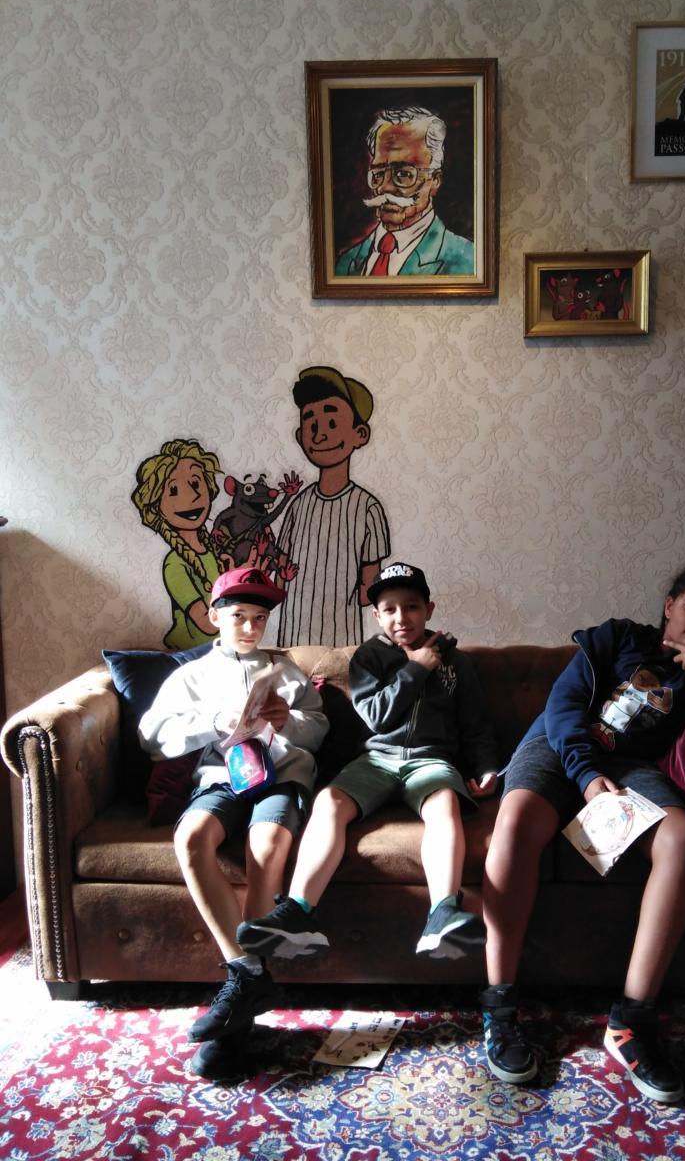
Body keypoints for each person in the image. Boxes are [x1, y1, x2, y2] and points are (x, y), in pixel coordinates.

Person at [479, 563, 685, 1100]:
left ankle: (631, 1022)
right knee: (515, 820)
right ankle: (499, 1009)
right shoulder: (620, 638)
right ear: (669, 605)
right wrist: (586, 777)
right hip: (558, 748)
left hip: (635, 768)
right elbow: (564, 704)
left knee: (682, 839)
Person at [238, 562, 499, 962]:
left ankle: (443, 912)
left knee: (445, 803)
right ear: (376, 615)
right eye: (390, 609)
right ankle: (297, 911)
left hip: (431, 759)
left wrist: (486, 767)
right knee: (329, 802)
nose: (401, 617)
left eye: (411, 606)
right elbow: (377, 716)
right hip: (376, 760)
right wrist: (416, 669)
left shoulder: (455, 662)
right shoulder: (368, 658)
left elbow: (476, 722)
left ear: (429, 609)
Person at [138, 565, 328, 1080]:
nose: (249, 627)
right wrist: (213, 722)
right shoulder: (192, 675)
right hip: (222, 777)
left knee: (265, 847)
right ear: (215, 616)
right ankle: (247, 973)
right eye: (239, 616)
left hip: (280, 776)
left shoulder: (285, 671)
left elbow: (318, 726)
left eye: (259, 618)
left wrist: (291, 722)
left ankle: (236, 1020)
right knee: (191, 837)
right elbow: (151, 736)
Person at [275, 366, 391, 648]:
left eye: (331, 422)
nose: (319, 435)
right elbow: (280, 572)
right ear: (300, 436)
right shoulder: (298, 505)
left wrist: (336, 598)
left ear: (359, 434)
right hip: (292, 641)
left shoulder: (367, 508)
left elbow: (370, 586)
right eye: (311, 424)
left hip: (342, 643)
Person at [335, 106, 475, 277]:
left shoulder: (466, 261)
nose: (385, 187)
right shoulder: (346, 262)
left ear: (435, 180)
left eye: (403, 174)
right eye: (378, 173)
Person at [131, 438, 225, 650]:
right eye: (173, 490)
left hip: (219, 651)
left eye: (196, 484)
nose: (192, 495)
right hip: (189, 655)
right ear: (156, 506)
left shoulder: (211, 552)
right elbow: (207, 624)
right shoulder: (174, 564)